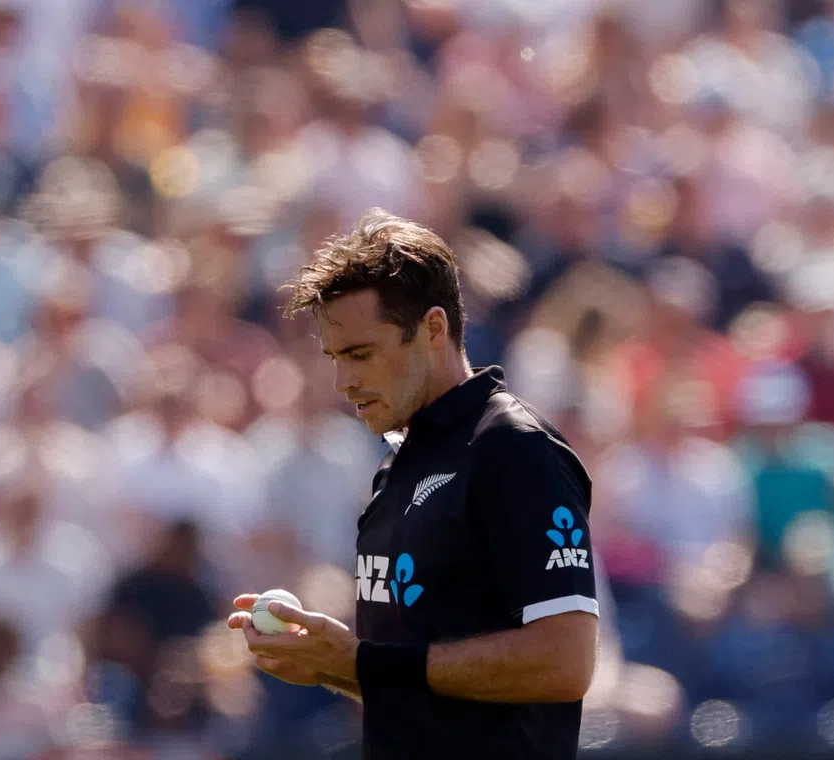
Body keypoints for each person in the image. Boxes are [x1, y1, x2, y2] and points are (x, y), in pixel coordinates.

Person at [227, 208, 600, 759]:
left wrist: (357, 661)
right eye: (334, 357)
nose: (343, 381)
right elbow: (420, 680)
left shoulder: (512, 450)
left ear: (432, 329)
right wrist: (332, 666)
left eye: (360, 354)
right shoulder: (395, 464)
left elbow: (565, 663)